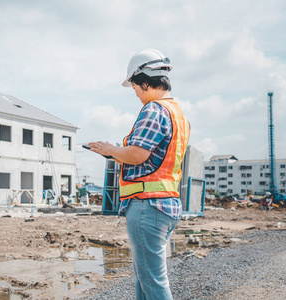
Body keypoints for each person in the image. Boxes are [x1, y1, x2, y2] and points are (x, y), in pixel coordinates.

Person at [89, 49, 190, 299]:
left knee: (153, 283)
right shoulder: (178, 113)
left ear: (144, 80)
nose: (134, 91)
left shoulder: (154, 109)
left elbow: (138, 154)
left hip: (148, 206)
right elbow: (150, 159)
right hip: (164, 204)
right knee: (144, 280)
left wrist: (112, 149)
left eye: (134, 85)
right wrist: (113, 153)